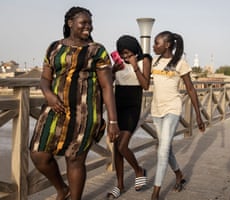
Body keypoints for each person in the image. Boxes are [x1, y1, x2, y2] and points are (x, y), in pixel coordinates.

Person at [29, 6, 119, 200]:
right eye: (83, 23)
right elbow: (45, 79)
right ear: (70, 23)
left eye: (90, 23)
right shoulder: (54, 48)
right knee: (38, 154)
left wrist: (112, 121)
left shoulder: (97, 50)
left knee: (75, 159)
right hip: (55, 109)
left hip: (86, 114)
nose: (88, 27)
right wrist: (48, 95)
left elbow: (106, 87)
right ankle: (63, 190)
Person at [150, 31, 206, 200]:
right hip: (156, 109)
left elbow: (190, 89)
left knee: (162, 151)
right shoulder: (154, 61)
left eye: (157, 43)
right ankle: (179, 174)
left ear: (167, 45)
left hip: (172, 109)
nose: (154, 46)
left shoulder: (180, 63)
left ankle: (155, 193)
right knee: (167, 149)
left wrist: (198, 115)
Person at [107, 35, 152, 199]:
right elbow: (110, 82)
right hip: (117, 106)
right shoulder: (118, 62)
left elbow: (146, 85)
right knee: (116, 147)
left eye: (127, 53)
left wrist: (134, 66)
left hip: (133, 106)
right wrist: (113, 71)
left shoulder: (144, 60)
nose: (125, 56)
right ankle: (119, 185)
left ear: (134, 48)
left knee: (122, 145)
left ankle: (139, 170)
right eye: (122, 53)